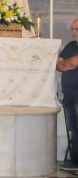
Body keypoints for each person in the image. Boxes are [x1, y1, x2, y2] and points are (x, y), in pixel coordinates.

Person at [57, 18, 78, 171]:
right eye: (72, 29)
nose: (73, 32)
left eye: (76, 29)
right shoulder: (71, 46)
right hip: (69, 95)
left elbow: (68, 63)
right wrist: (69, 63)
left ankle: (76, 162)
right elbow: (59, 65)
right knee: (74, 129)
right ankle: (74, 161)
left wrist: (68, 63)